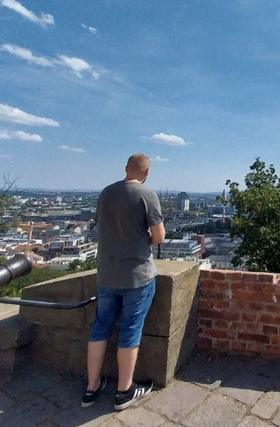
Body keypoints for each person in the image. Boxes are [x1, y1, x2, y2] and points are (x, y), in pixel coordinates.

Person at [81, 153, 165, 411]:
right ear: (147, 172)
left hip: (107, 274)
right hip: (136, 275)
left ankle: (91, 387)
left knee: (100, 328)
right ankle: (124, 392)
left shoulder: (106, 193)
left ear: (126, 168)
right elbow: (159, 236)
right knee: (130, 331)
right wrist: (142, 241)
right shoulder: (147, 195)